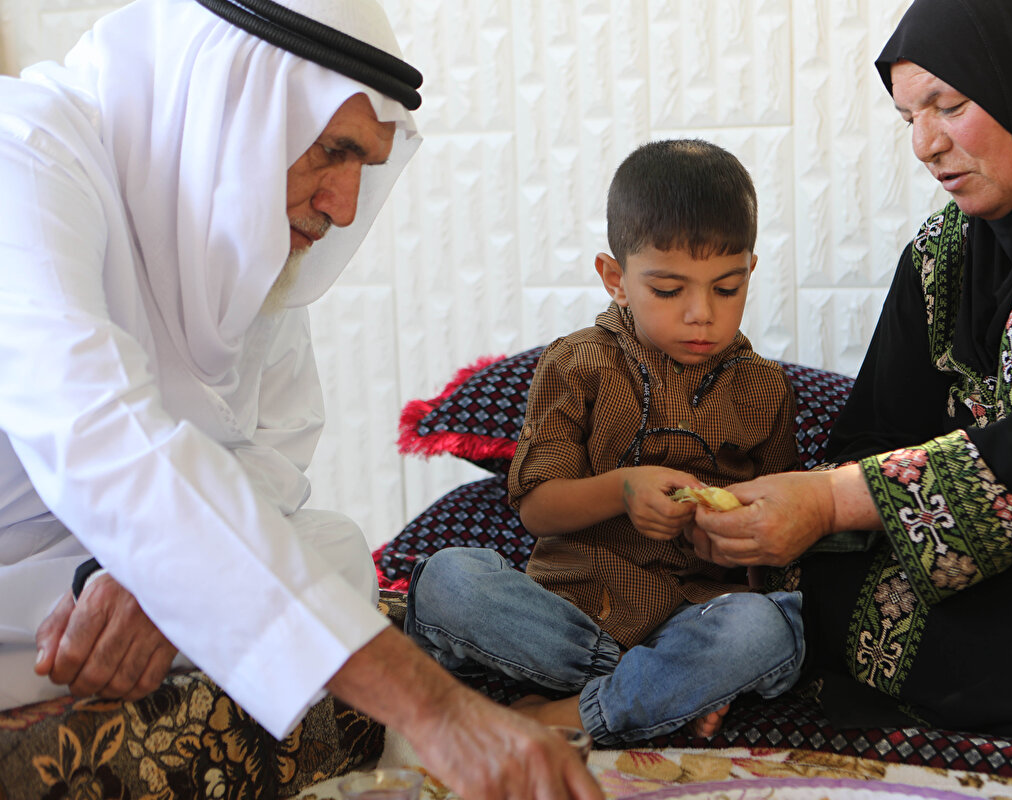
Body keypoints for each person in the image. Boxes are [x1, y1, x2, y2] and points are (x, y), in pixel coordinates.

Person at [0, 1, 600, 798]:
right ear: (233, 106)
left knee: (335, 549)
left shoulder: (230, 239)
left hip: (87, 573)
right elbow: (102, 437)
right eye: (333, 151)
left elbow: (271, 461)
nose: (344, 204)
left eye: (365, 166)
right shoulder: (28, 153)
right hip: (22, 578)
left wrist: (154, 575)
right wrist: (440, 713)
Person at [689, 0, 1012, 797]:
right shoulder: (944, 255)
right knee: (832, 580)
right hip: (1005, 572)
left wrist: (829, 504)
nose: (927, 145)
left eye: (950, 106)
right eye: (908, 119)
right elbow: (869, 441)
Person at [404, 139, 807, 746]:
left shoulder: (763, 388)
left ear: (750, 271)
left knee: (768, 629)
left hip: (689, 621)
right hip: (571, 616)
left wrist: (735, 540)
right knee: (446, 579)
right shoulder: (577, 364)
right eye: (669, 291)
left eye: (726, 289)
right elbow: (538, 507)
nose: (702, 314)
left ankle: (562, 712)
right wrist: (623, 489)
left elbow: (778, 533)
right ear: (615, 278)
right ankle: (654, 695)